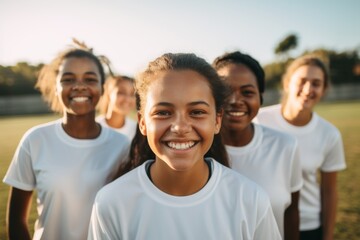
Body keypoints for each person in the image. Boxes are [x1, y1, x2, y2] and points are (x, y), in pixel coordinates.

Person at [88, 53, 281, 240]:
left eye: (197, 112)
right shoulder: (111, 203)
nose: (180, 127)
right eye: (163, 112)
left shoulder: (250, 200)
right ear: (142, 123)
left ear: (217, 120)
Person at [3, 43, 130, 240]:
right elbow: (17, 219)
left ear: (102, 88)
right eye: (69, 79)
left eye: (89, 79)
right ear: (56, 87)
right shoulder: (35, 140)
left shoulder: (122, 145)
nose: (79, 86)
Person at [213, 51, 303, 240]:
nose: (235, 101)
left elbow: (291, 211)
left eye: (247, 92)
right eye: (224, 91)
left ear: (260, 99)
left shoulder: (285, 146)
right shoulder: (194, 151)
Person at [255, 54, 346, 240]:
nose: (308, 89)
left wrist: (327, 236)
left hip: (308, 226)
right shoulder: (259, 120)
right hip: (261, 221)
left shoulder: (330, 134)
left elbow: (329, 192)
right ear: (287, 83)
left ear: (324, 89)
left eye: (316, 83)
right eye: (302, 81)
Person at [96, 74, 137, 140]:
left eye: (132, 94)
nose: (128, 99)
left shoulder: (137, 131)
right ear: (108, 95)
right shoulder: (94, 128)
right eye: (121, 92)